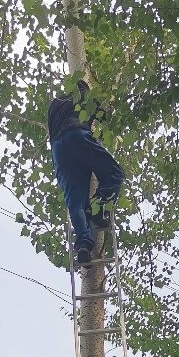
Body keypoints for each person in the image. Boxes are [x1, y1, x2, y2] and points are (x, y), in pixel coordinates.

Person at [48, 80, 124, 266]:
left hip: (58, 149)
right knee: (115, 174)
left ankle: (83, 245)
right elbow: (106, 119)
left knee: (75, 202)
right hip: (77, 135)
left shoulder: (54, 103)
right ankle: (97, 210)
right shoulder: (85, 97)